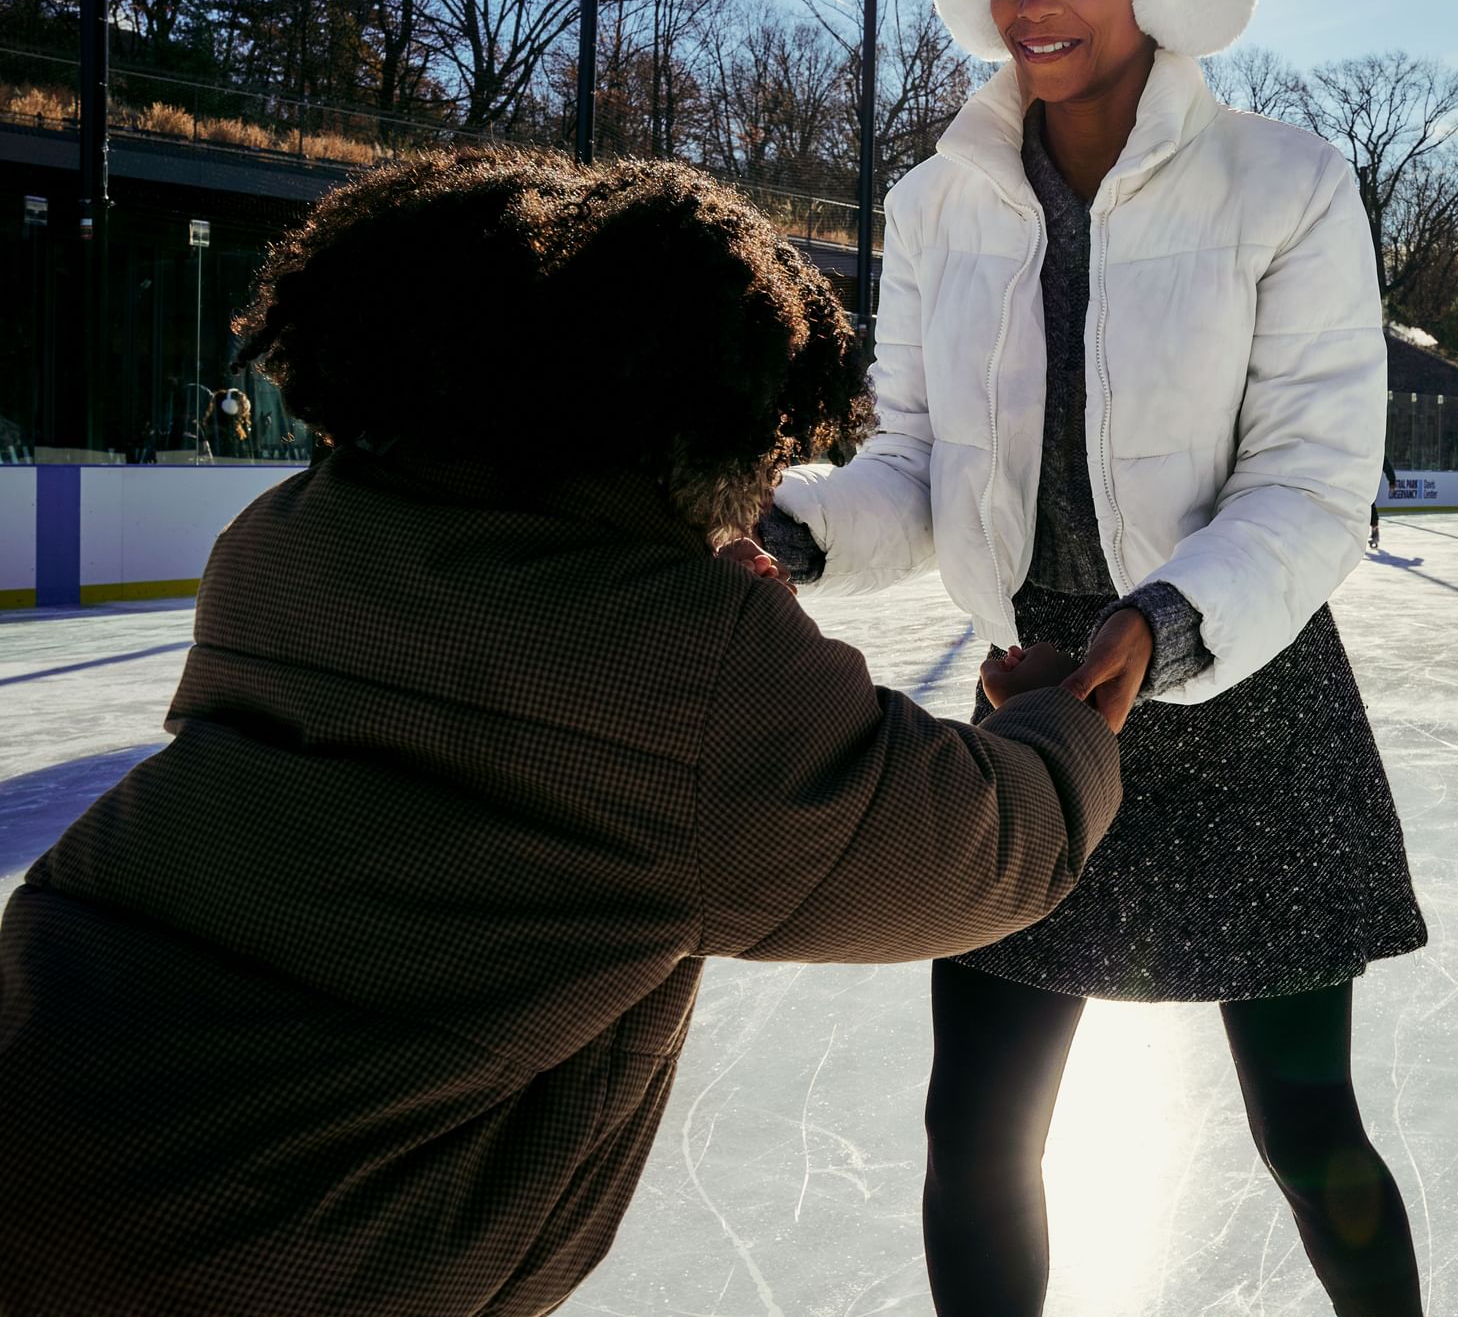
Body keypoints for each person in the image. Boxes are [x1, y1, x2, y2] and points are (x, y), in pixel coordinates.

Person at [0, 152, 1122, 1317]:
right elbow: (981, 850)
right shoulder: (695, 672)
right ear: (706, 419)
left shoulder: (293, 533)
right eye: (774, 438)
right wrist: (1058, 720)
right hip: (259, 1255)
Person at [761, 0, 1428, 1316]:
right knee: (976, 1129)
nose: (1029, 1)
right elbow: (915, 469)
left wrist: (1170, 622)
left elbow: (1316, 485)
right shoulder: (937, 201)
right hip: (1034, 713)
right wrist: (794, 526)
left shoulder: (1291, 183)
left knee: (1307, 1124)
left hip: (1234, 687)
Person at [1371, 454, 1400, 549]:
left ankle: (1374, 529)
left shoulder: (1375, 449)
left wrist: (1392, 481)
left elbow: (1386, 465)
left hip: (1366, 481)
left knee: (1369, 503)